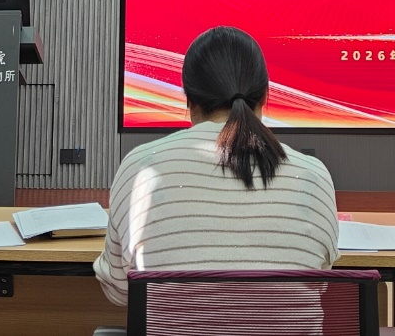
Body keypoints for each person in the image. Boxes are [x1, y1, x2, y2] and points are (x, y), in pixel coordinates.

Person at [94, 25, 339, 307]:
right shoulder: (313, 175)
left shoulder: (139, 167)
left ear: (189, 98)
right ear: (264, 96)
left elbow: (121, 291)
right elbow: (318, 284)